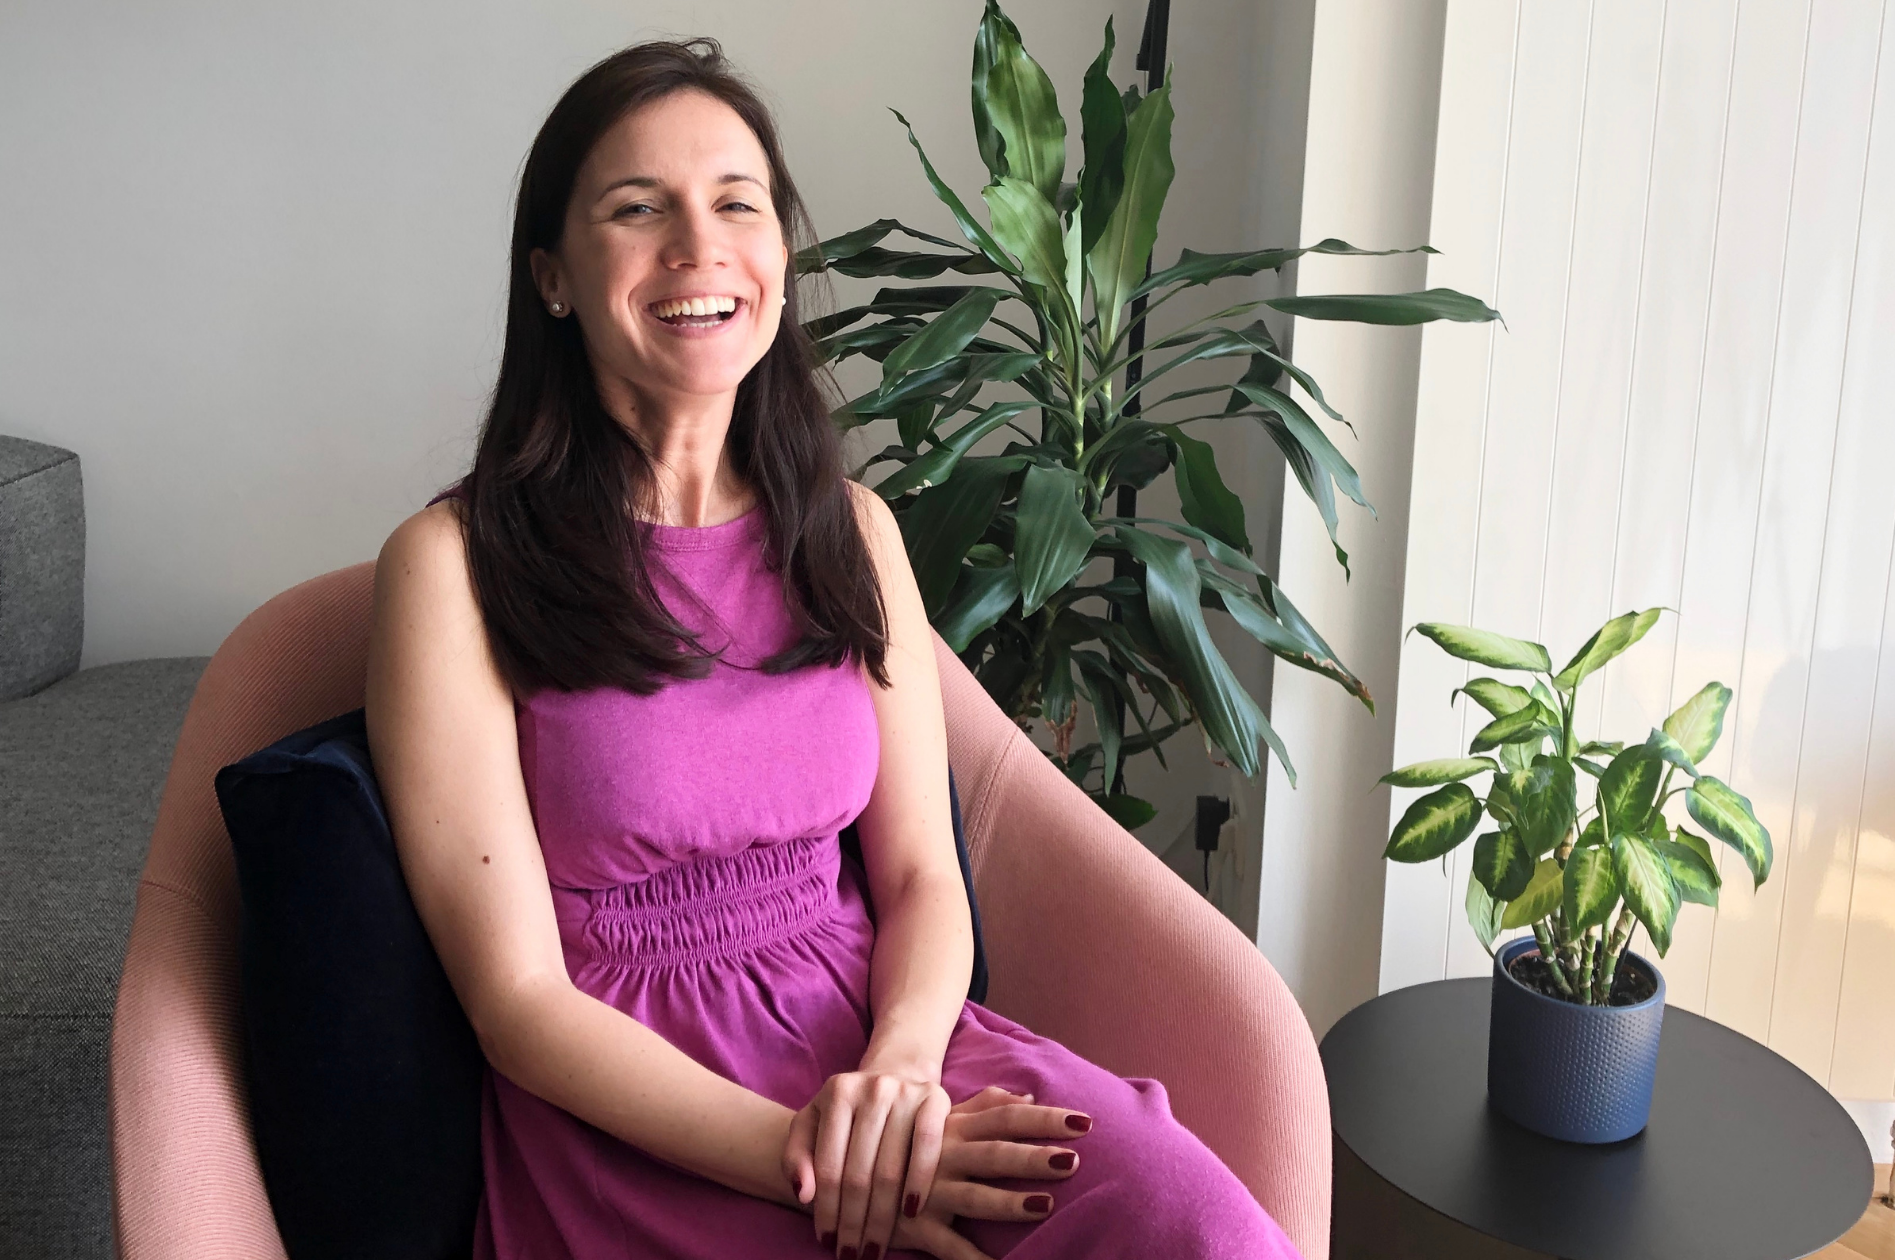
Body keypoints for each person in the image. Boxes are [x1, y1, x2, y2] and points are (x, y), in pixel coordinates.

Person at [366, 38, 1301, 1260]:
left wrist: (901, 1085)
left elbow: (920, 880)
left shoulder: (850, 531)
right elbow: (518, 1004)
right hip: (643, 1121)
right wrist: (819, 1163)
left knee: (1196, 1227)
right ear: (552, 277)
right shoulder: (451, 565)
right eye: (637, 209)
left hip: (887, 1054)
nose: (697, 246)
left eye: (735, 203)